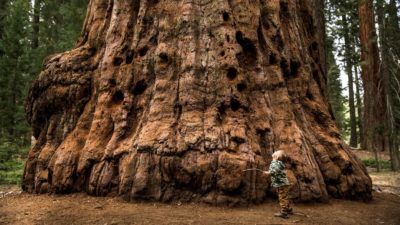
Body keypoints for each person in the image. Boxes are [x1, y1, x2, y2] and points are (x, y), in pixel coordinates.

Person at [264, 150, 293, 219]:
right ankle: (288, 209)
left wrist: (268, 173)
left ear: (276, 156)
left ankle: (284, 213)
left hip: (281, 184)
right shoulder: (278, 163)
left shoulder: (275, 163)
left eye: (276, 152)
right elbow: (276, 170)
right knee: (284, 196)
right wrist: (269, 172)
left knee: (282, 197)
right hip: (282, 184)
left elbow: (275, 170)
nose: (275, 151)